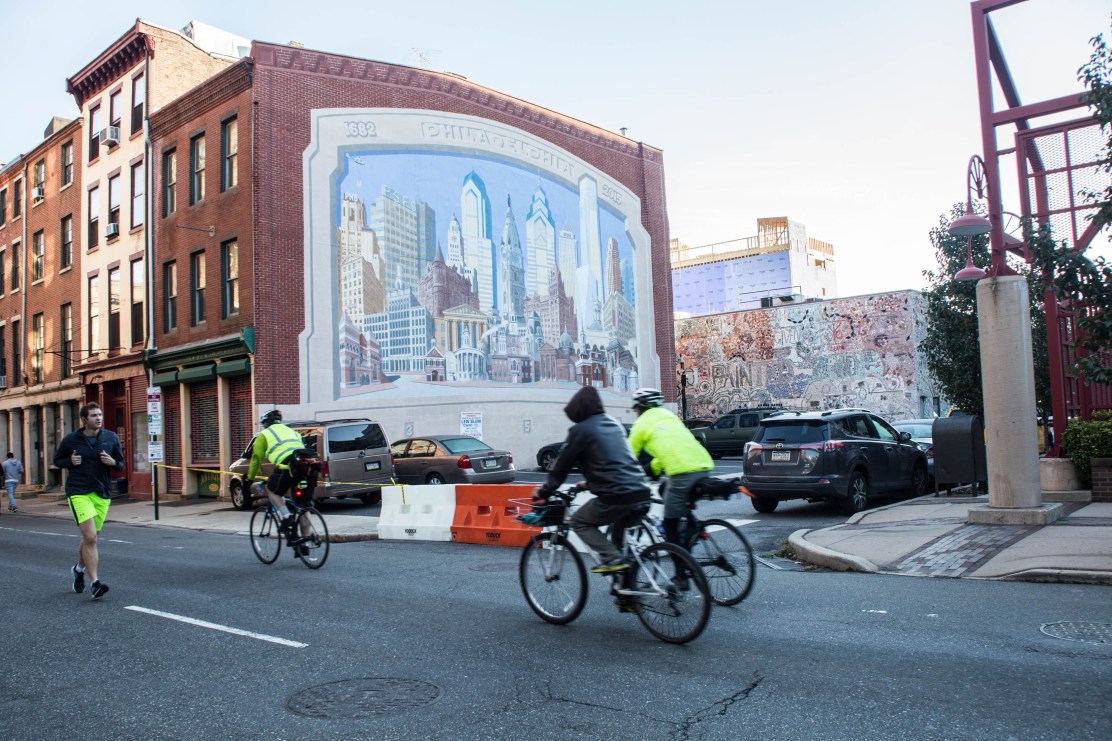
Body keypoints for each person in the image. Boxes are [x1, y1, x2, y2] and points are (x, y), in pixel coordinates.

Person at [533, 385, 651, 575]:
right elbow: (613, 462)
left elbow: (561, 467)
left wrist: (544, 491)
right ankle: (627, 593)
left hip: (615, 495)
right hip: (640, 490)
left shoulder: (580, 430)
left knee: (580, 522)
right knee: (618, 538)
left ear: (578, 410)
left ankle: (612, 558)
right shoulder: (613, 423)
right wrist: (588, 484)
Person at [627, 387, 715, 555]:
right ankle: (691, 528)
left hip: (683, 473)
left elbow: (626, 456)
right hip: (704, 465)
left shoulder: (641, 424)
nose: (636, 412)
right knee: (663, 489)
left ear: (641, 407)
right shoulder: (670, 417)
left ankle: (681, 572)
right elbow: (670, 450)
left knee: (669, 523)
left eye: (636, 409)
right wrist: (651, 469)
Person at [53, 402, 125, 599]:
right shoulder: (71, 440)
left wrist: (113, 463)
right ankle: (95, 583)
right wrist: (70, 462)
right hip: (78, 492)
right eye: (94, 415)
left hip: (101, 493)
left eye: (100, 414)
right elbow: (57, 460)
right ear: (84, 420)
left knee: (90, 539)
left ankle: (78, 569)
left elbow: (120, 464)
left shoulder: (111, 437)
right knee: (91, 537)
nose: (99, 418)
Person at [246, 410, 314, 550]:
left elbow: (256, 458)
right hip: (307, 466)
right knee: (303, 505)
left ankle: (286, 516)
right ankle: (306, 542)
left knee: (272, 490)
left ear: (266, 423)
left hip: (287, 466)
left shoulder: (264, 434)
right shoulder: (292, 432)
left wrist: (249, 479)